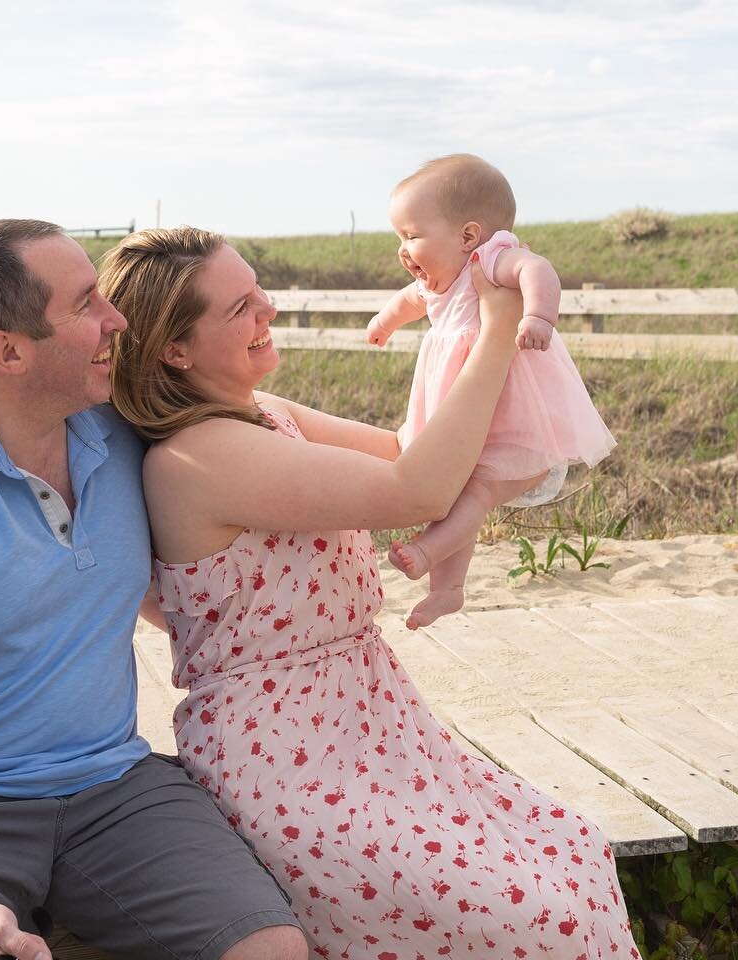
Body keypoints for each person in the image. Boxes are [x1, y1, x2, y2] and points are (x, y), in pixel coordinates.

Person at [102, 225, 641, 959]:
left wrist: (457, 324)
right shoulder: (199, 455)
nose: (269, 311)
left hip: (371, 716)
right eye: (240, 309)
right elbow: (413, 487)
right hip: (287, 756)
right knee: (540, 916)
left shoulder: (267, 414)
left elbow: (403, 447)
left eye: (259, 292)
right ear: (174, 348)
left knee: (573, 849)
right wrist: (497, 328)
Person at [0, 219, 308, 960]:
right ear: (7, 351)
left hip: (111, 785)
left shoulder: (124, 433)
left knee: (271, 949)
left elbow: (288, 446)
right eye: (85, 307)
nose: (118, 321)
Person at [365, 153, 616, 629]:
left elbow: (536, 270)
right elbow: (409, 301)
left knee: (475, 492)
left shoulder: (490, 259)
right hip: (463, 413)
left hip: (509, 417)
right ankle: (449, 590)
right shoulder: (439, 281)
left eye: (412, 236)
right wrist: (385, 321)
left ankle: (426, 550)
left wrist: (538, 316)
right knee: (454, 489)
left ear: (467, 235)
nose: (402, 249)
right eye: (399, 237)